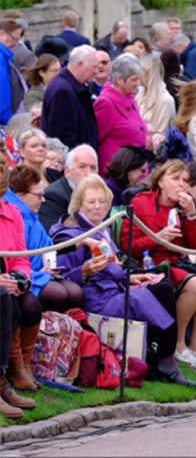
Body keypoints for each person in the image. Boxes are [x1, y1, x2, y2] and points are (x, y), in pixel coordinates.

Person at [50, 175, 192, 384]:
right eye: (91, 202)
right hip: (96, 300)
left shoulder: (103, 230)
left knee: (160, 284)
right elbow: (60, 276)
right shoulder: (69, 235)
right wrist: (85, 270)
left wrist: (132, 277)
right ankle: (166, 362)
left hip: (116, 291)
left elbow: (115, 267)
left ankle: (162, 360)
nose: (97, 207)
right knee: (160, 292)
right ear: (79, 204)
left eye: (102, 202)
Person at [123, 160, 196, 364]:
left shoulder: (184, 207)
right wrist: (158, 237)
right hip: (151, 263)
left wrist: (192, 214)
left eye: (184, 180)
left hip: (178, 262)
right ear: (160, 181)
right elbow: (127, 244)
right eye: (175, 178)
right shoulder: (141, 202)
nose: (180, 185)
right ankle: (178, 343)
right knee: (195, 284)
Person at [6, 165, 85, 313]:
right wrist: (36, 273)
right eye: (38, 195)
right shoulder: (14, 217)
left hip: (43, 273)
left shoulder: (34, 218)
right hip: (24, 276)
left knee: (76, 293)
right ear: (20, 195)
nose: (43, 200)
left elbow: (48, 247)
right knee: (58, 294)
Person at [0, 155, 38, 417]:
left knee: (26, 301)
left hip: (6, 282)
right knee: (2, 297)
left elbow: (21, 259)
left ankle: (8, 376)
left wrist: (21, 280)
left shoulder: (12, 213)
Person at [94, 54, 147, 176]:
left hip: (136, 170)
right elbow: (96, 138)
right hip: (118, 174)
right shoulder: (106, 103)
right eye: (134, 79)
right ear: (119, 80)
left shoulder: (129, 97)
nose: (138, 83)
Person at [41, 44, 99, 150]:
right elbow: (62, 138)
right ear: (80, 64)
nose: (96, 72)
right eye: (93, 67)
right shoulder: (63, 91)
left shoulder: (71, 86)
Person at [39, 144, 98, 231]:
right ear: (67, 172)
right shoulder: (53, 196)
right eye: (82, 167)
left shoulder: (100, 194)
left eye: (93, 168)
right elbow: (55, 236)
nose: (88, 173)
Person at [136, 54, 176, 135]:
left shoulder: (165, 101)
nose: (137, 75)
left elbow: (160, 135)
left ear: (149, 73)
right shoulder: (139, 94)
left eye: (140, 71)